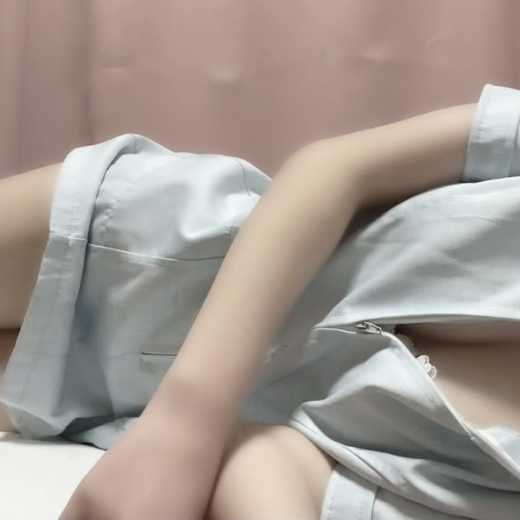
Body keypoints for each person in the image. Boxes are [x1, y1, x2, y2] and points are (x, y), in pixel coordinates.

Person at [1, 82, 520, 519]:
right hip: (141, 247)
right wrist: (186, 416)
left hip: (102, 417)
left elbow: (277, 468)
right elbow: (336, 169)